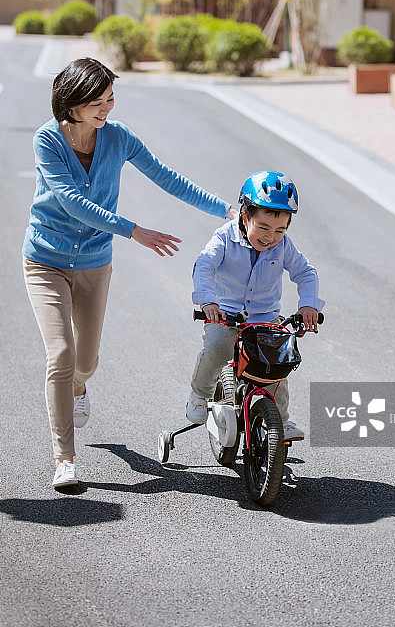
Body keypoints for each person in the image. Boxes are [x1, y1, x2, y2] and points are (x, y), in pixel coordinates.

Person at [23, 57, 237, 491]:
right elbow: (69, 201)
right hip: (45, 261)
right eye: (98, 101)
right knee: (61, 355)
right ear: (73, 103)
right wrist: (134, 230)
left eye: (110, 98)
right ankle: (64, 458)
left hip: (93, 264)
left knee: (86, 362)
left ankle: (79, 386)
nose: (107, 108)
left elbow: (167, 178)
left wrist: (229, 211)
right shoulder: (48, 140)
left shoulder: (117, 139)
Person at [186, 170, 324, 440]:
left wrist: (309, 305)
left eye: (280, 230)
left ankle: (280, 420)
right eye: (262, 227)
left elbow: (306, 273)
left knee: (277, 367)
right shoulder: (224, 237)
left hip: (264, 320)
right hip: (224, 316)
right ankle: (200, 394)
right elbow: (205, 265)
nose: (270, 236)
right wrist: (208, 301)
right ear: (244, 216)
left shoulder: (283, 246)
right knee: (215, 349)